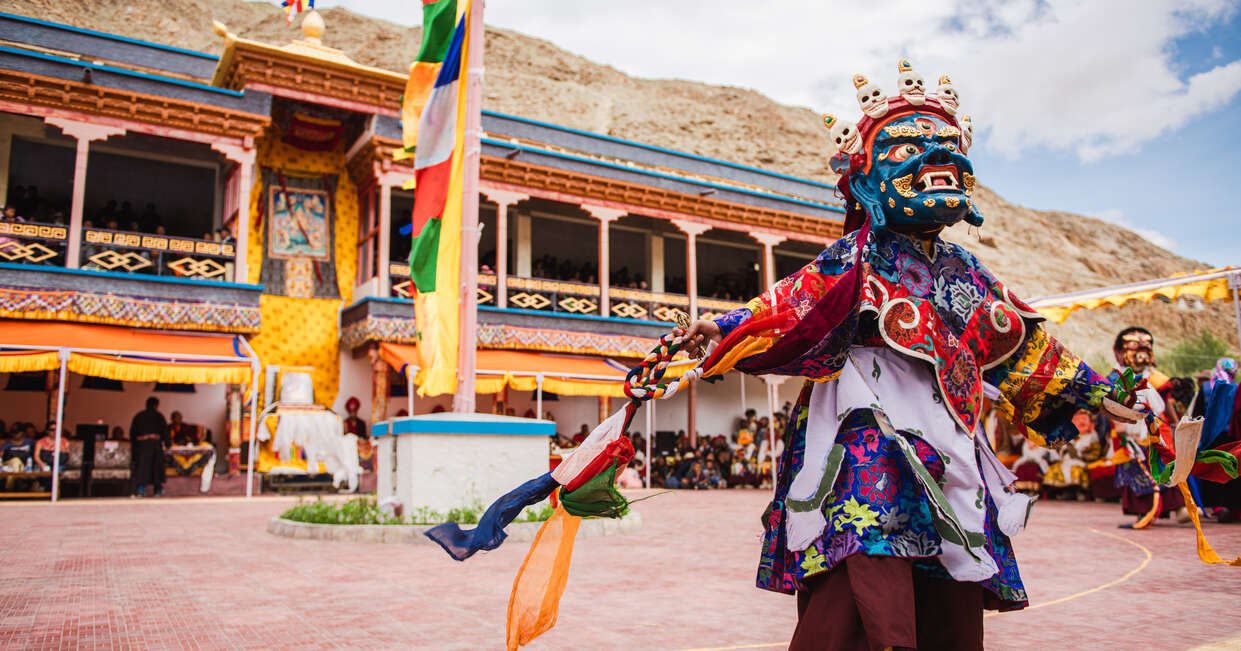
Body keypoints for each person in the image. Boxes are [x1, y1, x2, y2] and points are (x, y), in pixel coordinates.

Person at [674, 62, 1148, 649]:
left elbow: (1022, 343)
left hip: (949, 425)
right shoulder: (854, 256)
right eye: (907, 147)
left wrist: (1097, 393)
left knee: (948, 554)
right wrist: (722, 327)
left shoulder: (966, 270)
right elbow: (792, 303)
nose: (935, 160)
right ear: (869, 176)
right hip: (861, 421)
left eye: (946, 148)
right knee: (864, 540)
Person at [1106, 327, 1188, 527]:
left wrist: (1177, 423)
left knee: (1164, 465)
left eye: (1146, 344)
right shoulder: (1115, 378)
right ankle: (1156, 509)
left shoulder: (1156, 378)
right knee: (1142, 468)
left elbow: (1165, 402)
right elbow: (1109, 405)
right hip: (1132, 428)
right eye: (1133, 345)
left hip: (1154, 429)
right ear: (1120, 351)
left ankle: (1170, 508)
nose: (1141, 349)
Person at [130, 396, 170, 497]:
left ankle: (141, 490)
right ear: (156, 405)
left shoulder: (139, 416)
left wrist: (134, 447)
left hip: (142, 447)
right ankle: (157, 490)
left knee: (142, 468)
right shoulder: (159, 416)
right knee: (155, 468)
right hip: (155, 446)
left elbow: (132, 433)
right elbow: (165, 431)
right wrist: (168, 444)